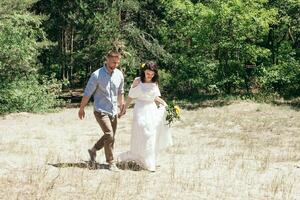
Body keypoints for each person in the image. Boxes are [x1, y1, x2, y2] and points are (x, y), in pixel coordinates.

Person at [118, 61, 173, 172]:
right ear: (144, 71)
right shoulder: (137, 81)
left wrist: (166, 105)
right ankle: (135, 155)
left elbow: (155, 97)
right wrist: (124, 110)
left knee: (150, 135)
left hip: (151, 110)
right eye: (148, 73)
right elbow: (130, 97)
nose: (150, 76)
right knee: (142, 132)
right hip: (140, 109)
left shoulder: (155, 83)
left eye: (152, 74)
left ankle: (149, 160)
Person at [78, 49, 125, 171]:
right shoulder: (97, 75)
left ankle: (93, 150)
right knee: (109, 134)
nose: (115, 65)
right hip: (100, 110)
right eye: (113, 62)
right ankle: (111, 162)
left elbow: (120, 92)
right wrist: (82, 108)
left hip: (113, 110)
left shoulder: (119, 74)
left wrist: (122, 105)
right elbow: (88, 93)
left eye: (117, 62)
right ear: (107, 59)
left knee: (111, 137)